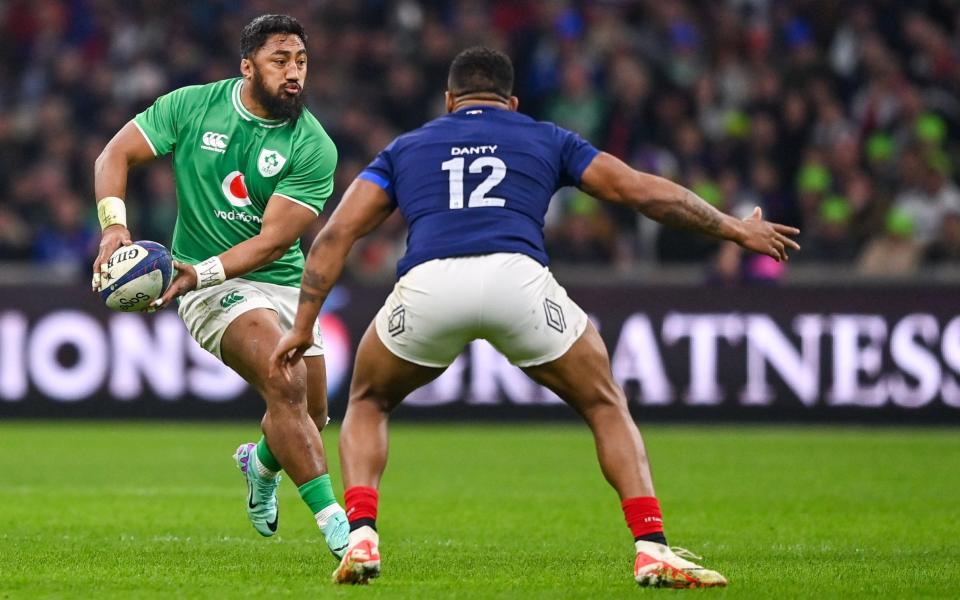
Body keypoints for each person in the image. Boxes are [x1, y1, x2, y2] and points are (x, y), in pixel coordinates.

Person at [271, 47, 801, 588]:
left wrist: (302, 324)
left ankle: (361, 535)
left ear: (449, 101)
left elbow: (336, 235)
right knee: (603, 402)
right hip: (517, 281)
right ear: (513, 101)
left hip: (430, 285)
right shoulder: (546, 136)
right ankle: (651, 546)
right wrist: (735, 229)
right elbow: (640, 191)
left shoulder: (407, 147)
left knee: (369, 399)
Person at [92, 14, 349, 558]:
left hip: (275, 281)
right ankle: (340, 530)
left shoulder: (314, 146)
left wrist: (200, 270)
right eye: (281, 60)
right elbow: (114, 154)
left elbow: (275, 243)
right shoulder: (191, 106)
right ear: (248, 66)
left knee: (315, 415)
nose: (294, 72)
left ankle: (258, 465)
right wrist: (115, 225)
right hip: (208, 288)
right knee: (285, 380)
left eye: (301, 61)